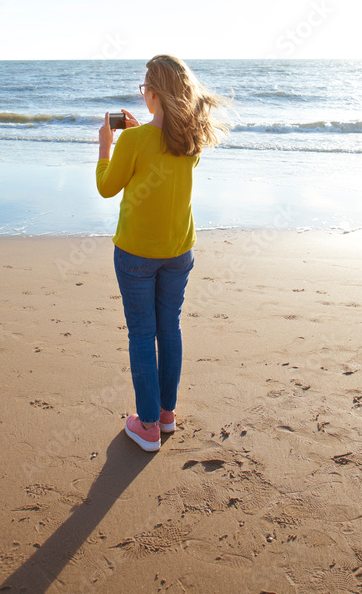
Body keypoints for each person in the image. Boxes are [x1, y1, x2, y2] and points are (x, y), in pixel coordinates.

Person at [96, 54, 229, 451]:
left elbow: (107, 186)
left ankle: (148, 426)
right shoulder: (190, 139)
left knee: (142, 332)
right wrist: (140, 134)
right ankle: (166, 415)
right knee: (168, 327)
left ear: (151, 93)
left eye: (144, 90)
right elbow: (160, 150)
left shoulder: (133, 141)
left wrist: (107, 146)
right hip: (178, 250)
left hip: (136, 252)